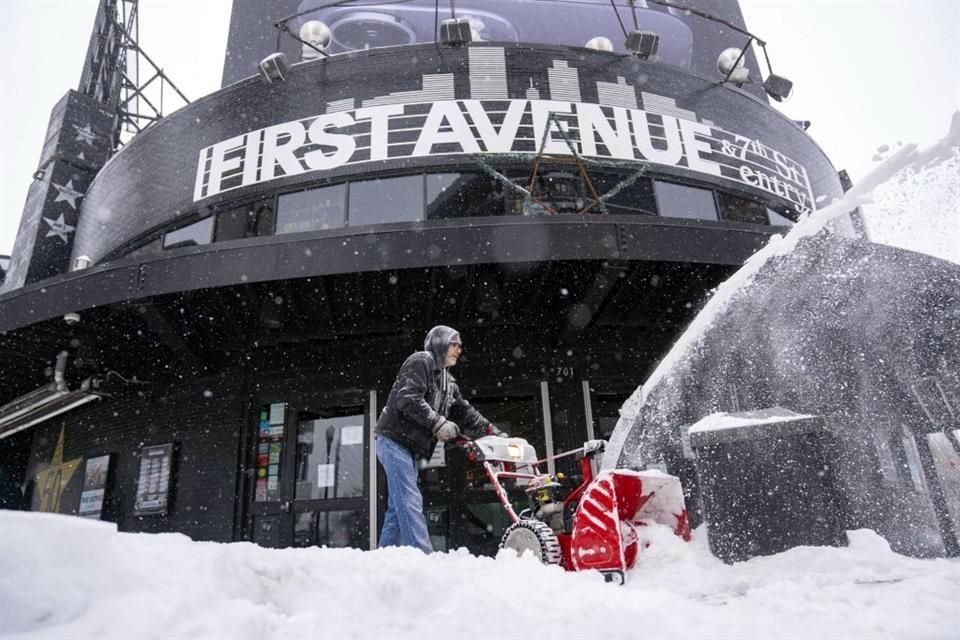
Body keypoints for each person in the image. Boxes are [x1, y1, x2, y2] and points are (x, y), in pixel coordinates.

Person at [375, 325, 505, 553]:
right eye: (454, 344)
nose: (459, 350)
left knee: (398, 508)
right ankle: (423, 558)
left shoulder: (448, 381)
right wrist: (437, 423)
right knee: (409, 500)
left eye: (460, 346)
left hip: (409, 448)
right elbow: (407, 398)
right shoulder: (421, 361)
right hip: (393, 441)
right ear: (440, 343)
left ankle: (384, 558)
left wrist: (493, 431)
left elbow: (465, 412)